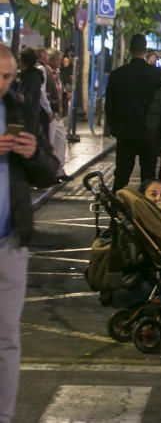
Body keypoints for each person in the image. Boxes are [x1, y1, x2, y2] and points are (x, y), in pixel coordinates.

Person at [0, 43, 60, 423]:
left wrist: (32, 153)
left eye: (6, 77)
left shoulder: (20, 108)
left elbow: (50, 172)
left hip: (9, 241)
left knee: (6, 339)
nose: (2, 84)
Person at [104, 34, 161, 191]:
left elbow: (109, 104)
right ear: (145, 50)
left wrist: (113, 126)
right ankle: (146, 212)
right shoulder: (156, 75)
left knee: (122, 175)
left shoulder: (117, 75)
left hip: (125, 133)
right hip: (148, 134)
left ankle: (116, 208)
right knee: (148, 177)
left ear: (130, 50)